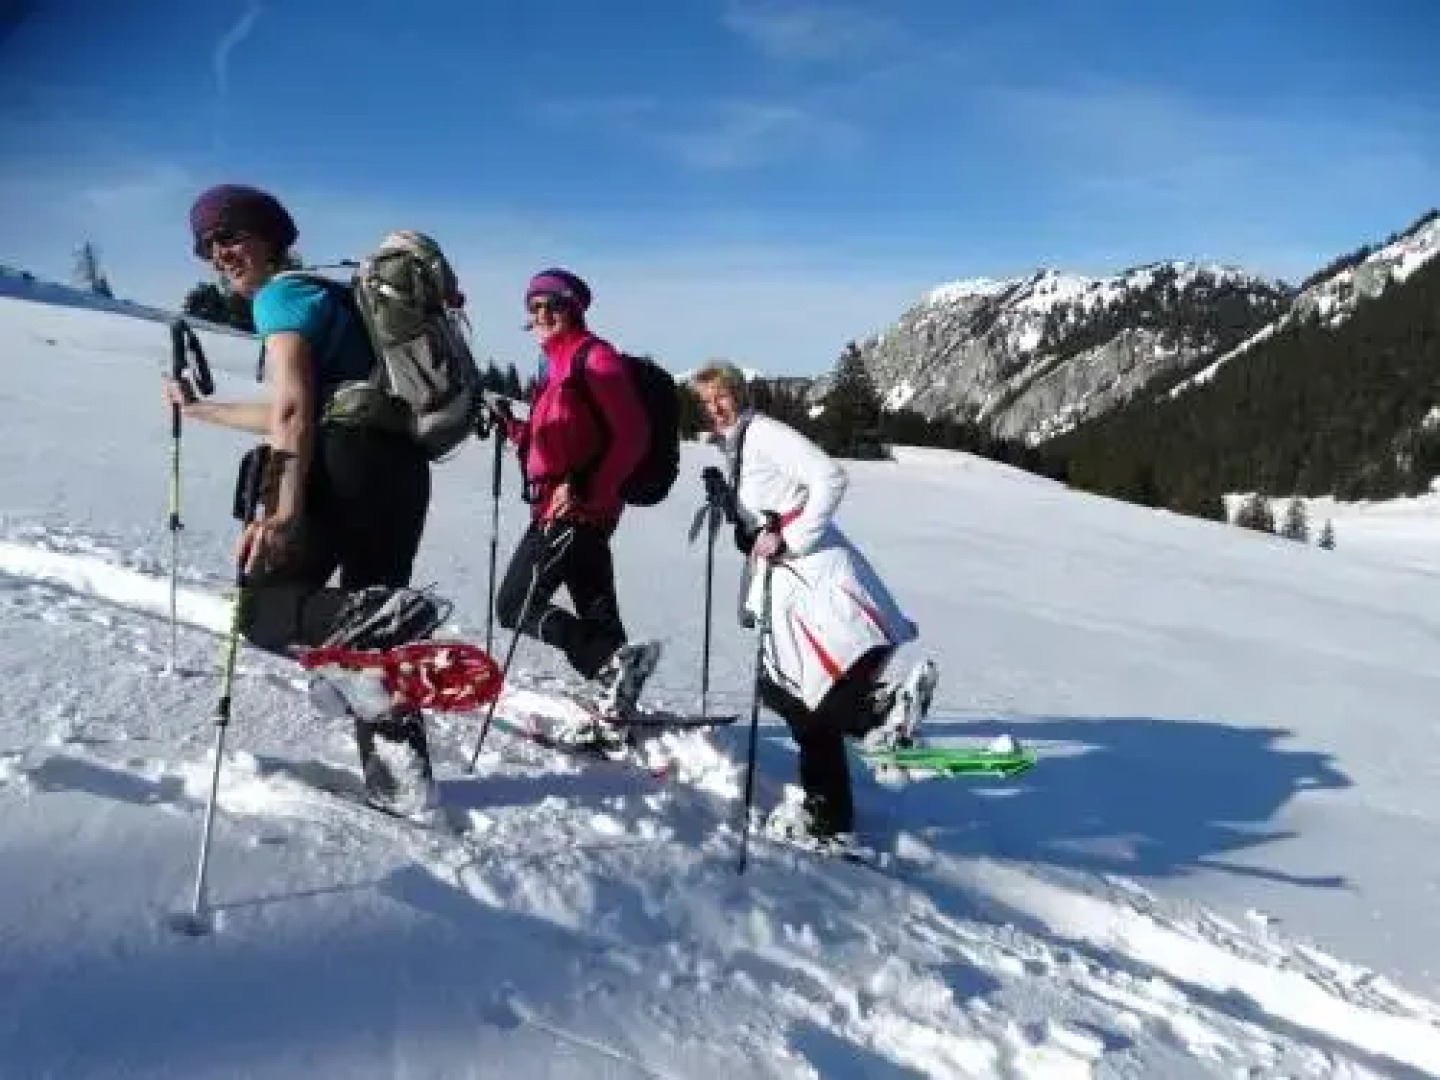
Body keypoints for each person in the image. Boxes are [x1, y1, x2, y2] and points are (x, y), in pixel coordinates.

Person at [165, 183, 448, 814]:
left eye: (231, 236)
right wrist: (201, 409)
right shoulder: (335, 301)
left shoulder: (281, 296)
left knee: (262, 608)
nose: (220, 253)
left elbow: (294, 411)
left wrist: (286, 510)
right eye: (208, 245)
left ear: (270, 238)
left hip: (343, 460)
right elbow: (298, 408)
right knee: (376, 646)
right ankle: (403, 791)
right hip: (399, 470)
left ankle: (365, 622)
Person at [689, 362, 938, 842]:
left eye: (721, 396)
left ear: (739, 395)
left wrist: (792, 539)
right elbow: (765, 521)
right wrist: (733, 508)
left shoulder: (765, 434)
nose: (714, 408)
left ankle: (880, 719)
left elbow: (830, 477)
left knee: (803, 695)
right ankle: (833, 810)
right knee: (791, 694)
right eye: (705, 401)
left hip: (818, 580)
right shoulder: (739, 446)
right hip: (792, 592)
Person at [488, 268, 660, 738]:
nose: (542, 314)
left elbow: (632, 436)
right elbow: (566, 438)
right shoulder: (555, 364)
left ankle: (608, 664)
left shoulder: (594, 357)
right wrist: (517, 431)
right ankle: (618, 691)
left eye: (553, 305)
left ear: (575, 309)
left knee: (515, 604)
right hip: (570, 505)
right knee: (596, 607)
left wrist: (583, 485)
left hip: (574, 507)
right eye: (534, 306)